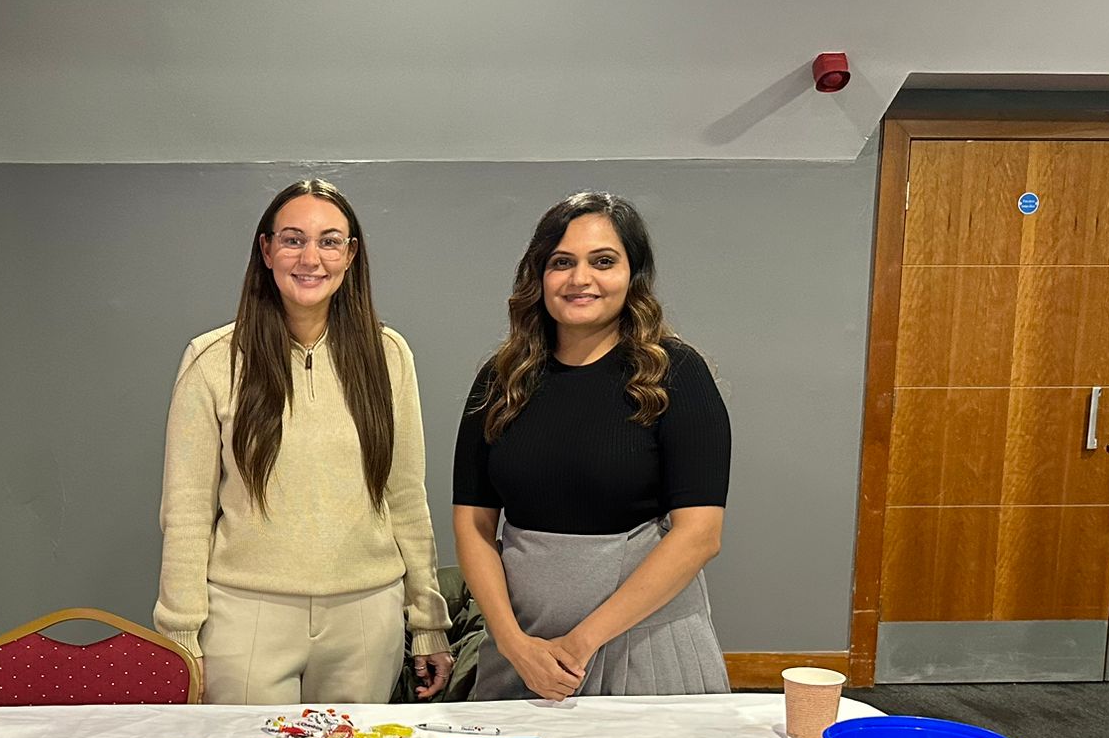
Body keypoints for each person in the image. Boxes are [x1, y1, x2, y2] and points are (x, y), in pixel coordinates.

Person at [156, 179, 453, 705]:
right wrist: (181, 634)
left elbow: (406, 496)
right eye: (293, 240)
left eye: (329, 241)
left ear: (350, 254)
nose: (310, 258)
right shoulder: (212, 359)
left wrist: (428, 620)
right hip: (245, 618)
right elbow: (186, 512)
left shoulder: (388, 356)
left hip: (366, 617)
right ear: (266, 250)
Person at [452, 191, 731, 700]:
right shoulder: (501, 379)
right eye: (562, 263)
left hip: (644, 643)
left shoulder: (678, 374)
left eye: (603, 261)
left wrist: (580, 644)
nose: (580, 279)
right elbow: (473, 524)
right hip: (523, 644)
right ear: (539, 275)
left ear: (633, 274)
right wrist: (516, 645)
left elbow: (700, 535)